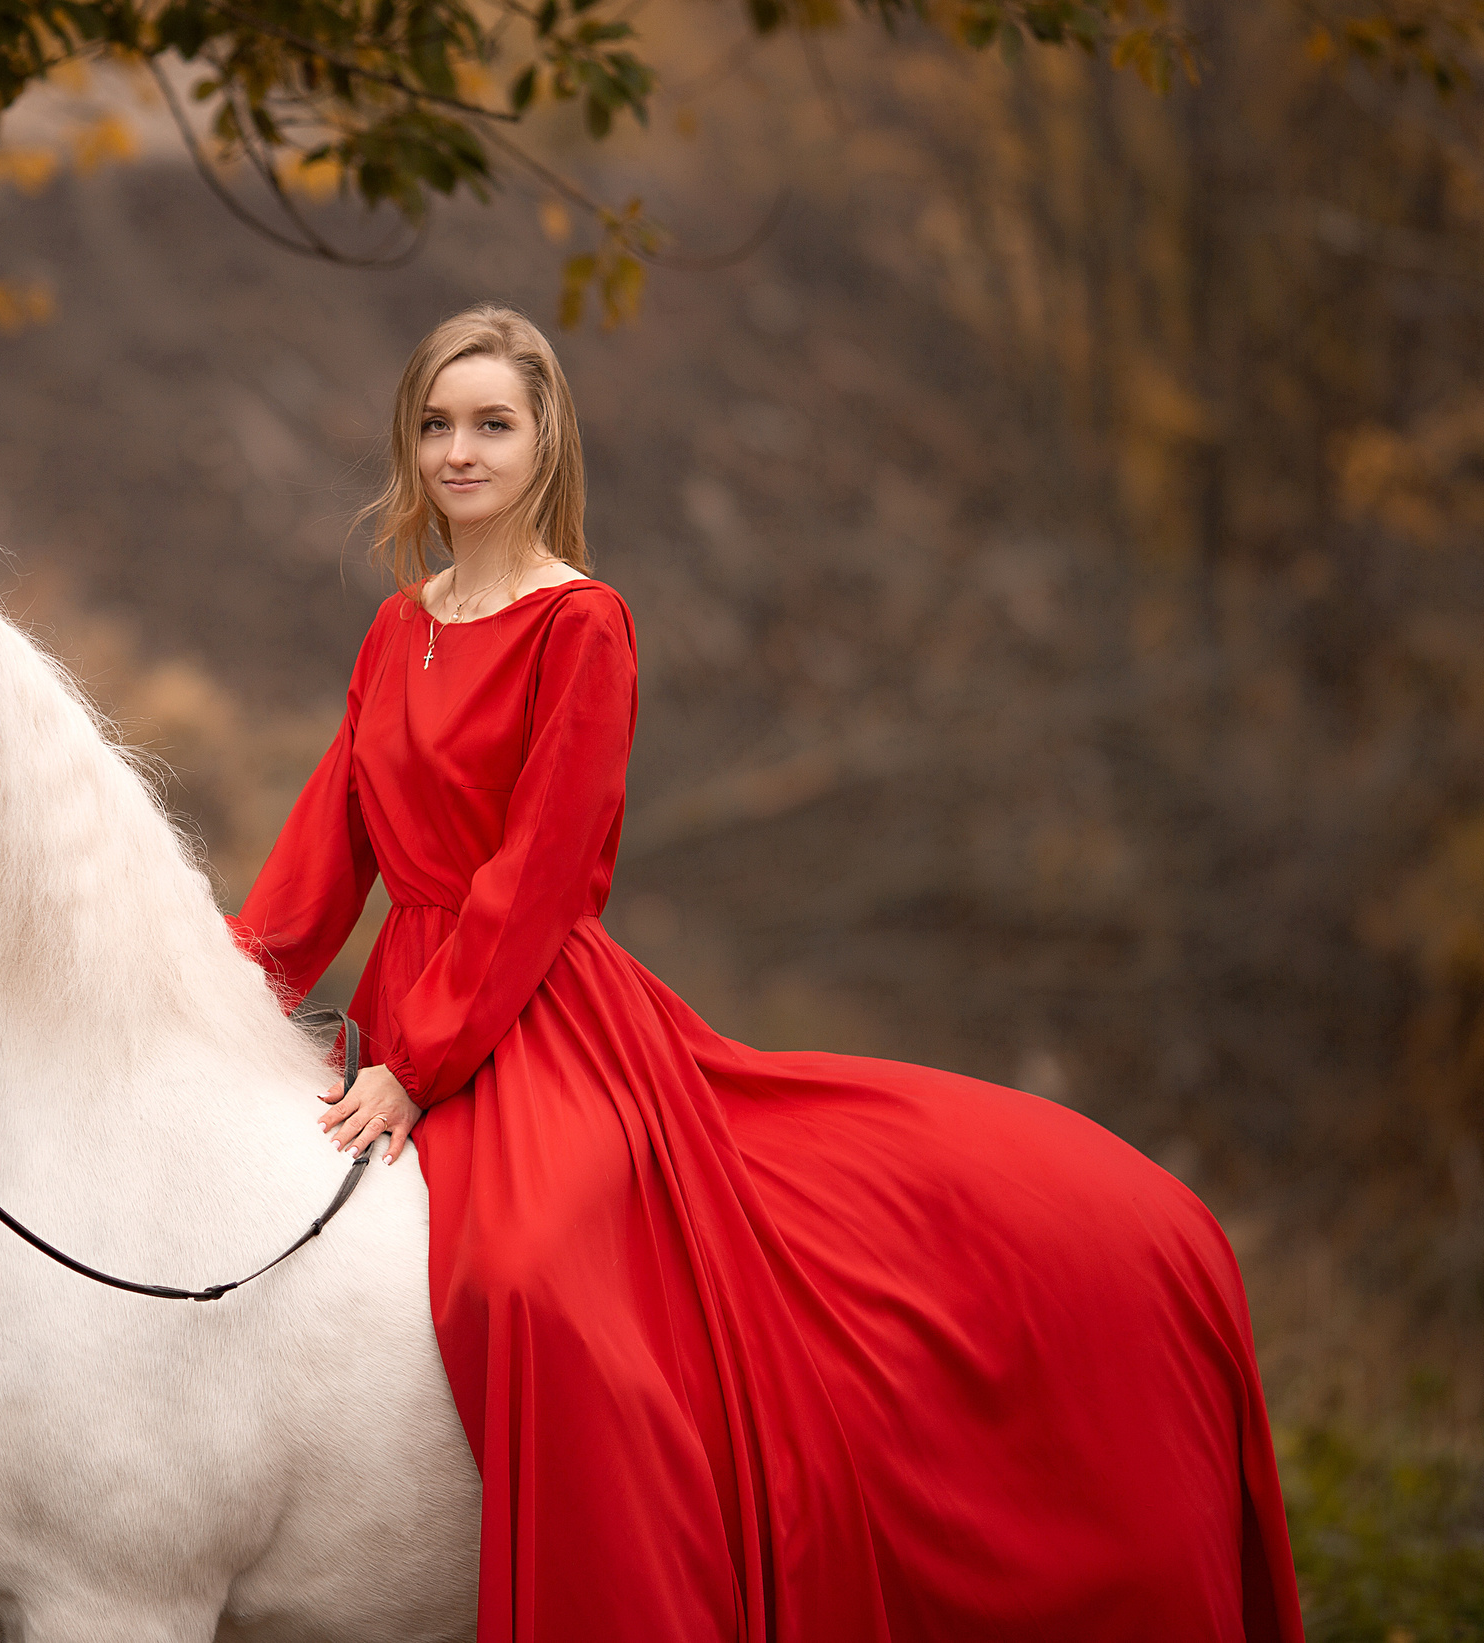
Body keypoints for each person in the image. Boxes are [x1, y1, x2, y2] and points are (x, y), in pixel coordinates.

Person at [226, 305, 1304, 1642]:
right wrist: (219, 999)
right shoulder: (398, 629)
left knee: (531, 1279)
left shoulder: (583, 625)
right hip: (403, 999)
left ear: (544, 440)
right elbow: (326, 842)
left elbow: (545, 873)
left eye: (492, 423)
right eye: (438, 425)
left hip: (524, 1014)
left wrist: (421, 1061)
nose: (461, 451)